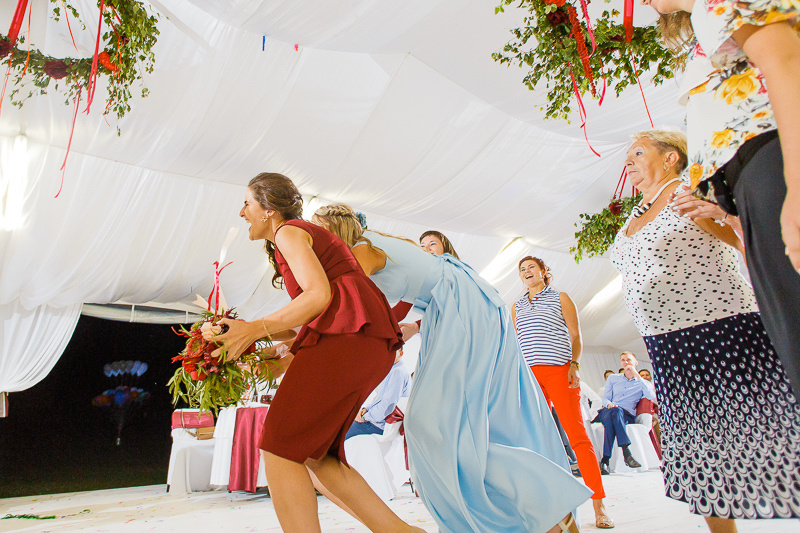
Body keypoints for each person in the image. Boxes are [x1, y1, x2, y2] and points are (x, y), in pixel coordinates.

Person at [313, 203, 589, 533]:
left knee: (434, 426)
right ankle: (541, 509)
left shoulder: (361, 250)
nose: (311, 241)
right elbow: (387, 309)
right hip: (456, 308)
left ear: (333, 230)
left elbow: (344, 303)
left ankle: (548, 505)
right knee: (442, 428)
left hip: (461, 307)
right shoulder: (374, 247)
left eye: (316, 231)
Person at [210, 173, 422, 533]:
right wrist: (260, 346)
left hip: (353, 338)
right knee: (317, 457)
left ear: (268, 209)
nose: (242, 212)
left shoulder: (288, 232)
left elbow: (319, 297)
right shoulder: (296, 237)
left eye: (247, 203)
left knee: (279, 446)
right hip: (366, 341)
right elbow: (315, 314)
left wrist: (254, 329)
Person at [610, 129, 800, 530]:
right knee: (703, 456)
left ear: (670, 158)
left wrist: (725, 215)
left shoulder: (689, 192)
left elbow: (750, 244)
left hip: (721, 333)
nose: (628, 161)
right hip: (667, 347)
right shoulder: (634, 214)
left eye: (638, 152)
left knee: (772, 437)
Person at [640, 0, 800, 396]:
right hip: (753, 182)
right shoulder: (703, 18)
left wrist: (796, 184)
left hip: (774, 160)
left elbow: (785, 59)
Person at [512, 256, 614, 529]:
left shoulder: (560, 297)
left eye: (531, 267)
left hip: (559, 371)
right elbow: (516, 343)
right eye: (522, 269)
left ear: (544, 271)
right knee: (534, 439)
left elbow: (576, 336)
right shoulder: (517, 306)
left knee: (577, 437)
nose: (526, 272)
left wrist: (575, 365)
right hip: (530, 377)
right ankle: (549, 509)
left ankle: (599, 505)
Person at [597, 352, 656, 474]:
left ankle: (605, 461)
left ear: (636, 362)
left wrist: (636, 375)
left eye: (629, 359)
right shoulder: (613, 378)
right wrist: (609, 404)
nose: (626, 362)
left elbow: (650, 395)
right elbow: (606, 398)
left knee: (611, 423)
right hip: (608, 410)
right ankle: (626, 453)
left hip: (626, 415)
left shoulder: (642, 383)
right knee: (615, 411)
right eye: (623, 360)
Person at [346, 349, 411, 440]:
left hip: (377, 425)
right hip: (375, 420)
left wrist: (365, 417)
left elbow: (387, 405)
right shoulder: (393, 370)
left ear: (401, 354)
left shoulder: (398, 372)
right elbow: (381, 398)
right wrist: (366, 409)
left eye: (393, 352)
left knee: (342, 434)